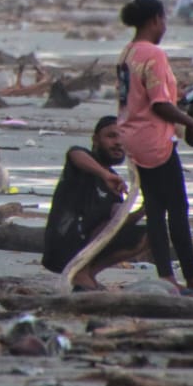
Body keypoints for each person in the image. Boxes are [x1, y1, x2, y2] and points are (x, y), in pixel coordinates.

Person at [117, 0, 193, 298]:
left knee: (157, 210)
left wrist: (177, 97)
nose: (165, 26)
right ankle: (192, 277)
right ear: (156, 20)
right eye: (164, 20)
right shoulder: (154, 54)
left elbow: (138, 96)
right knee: (177, 208)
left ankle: (166, 276)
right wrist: (192, 122)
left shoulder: (127, 53)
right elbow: (159, 105)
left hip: (132, 135)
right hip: (153, 140)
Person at [42, 116, 149, 291]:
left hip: (89, 245)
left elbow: (118, 221)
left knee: (149, 235)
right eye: (111, 136)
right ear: (95, 139)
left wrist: (144, 209)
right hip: (64, 243)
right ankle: (79, 273)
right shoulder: (83, 163)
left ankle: (89, 273)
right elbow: (74, 153)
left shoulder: (114, 181)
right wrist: (104, 175)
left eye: (123, 137)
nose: (118, 143)